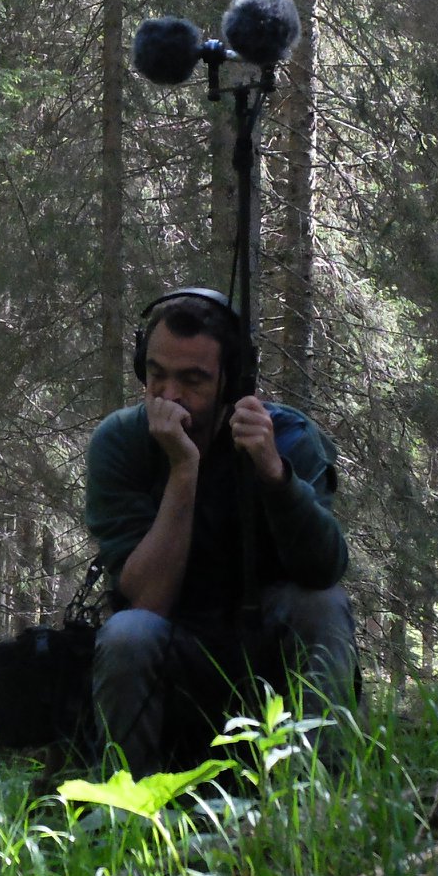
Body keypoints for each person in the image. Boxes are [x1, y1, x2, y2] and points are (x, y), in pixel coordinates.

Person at [83, 287, 355, 775]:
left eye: (192, 380)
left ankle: (317, 794)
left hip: (268, 658)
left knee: (322, 606)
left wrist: (276, 475)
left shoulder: (287, 437)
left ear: (231, 379)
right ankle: (128, 802)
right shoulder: (122, 442)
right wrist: (183, 469)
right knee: (127, 633)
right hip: (175, 654)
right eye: (156, 374)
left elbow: (325, 568)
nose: (169, 395)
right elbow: (146, 602)